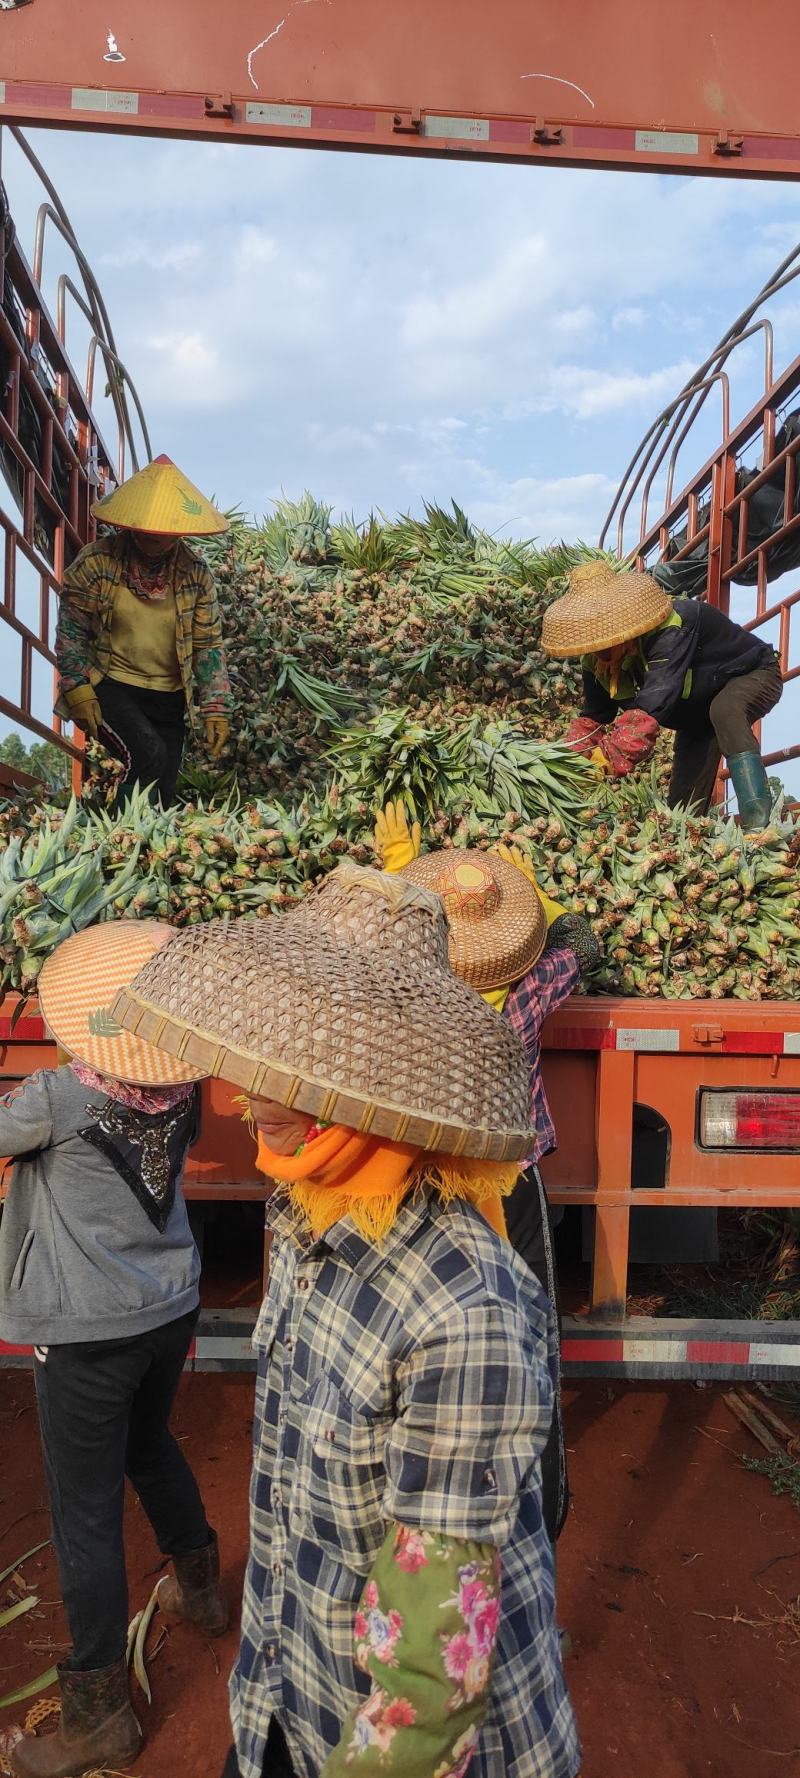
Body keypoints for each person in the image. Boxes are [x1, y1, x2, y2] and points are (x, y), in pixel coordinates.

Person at [110, 863, 582, 1778]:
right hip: (293, 1695)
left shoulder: (465, 1307)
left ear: (376, 1093)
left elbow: (427, 1682)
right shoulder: (305, 1217)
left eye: (301, 1073)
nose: (251, 1098)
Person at [2, 921, 228, 1778]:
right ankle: (200, 1587)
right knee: (148, 1441)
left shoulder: (59, 1095)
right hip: (166, 1310)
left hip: (87, 1332)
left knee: (84, 1512)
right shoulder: (184, 1088)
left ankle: (99, 1712)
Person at [375, 804, 598, 1549]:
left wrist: (396, 872)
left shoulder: (400, 997)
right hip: (511, 1181)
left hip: (424, 1188)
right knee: (531, 1331)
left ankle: (415, 1512)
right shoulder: (526, 999)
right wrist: (539, 903)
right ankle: (546, 1508)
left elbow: (361, 942)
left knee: (425, 1339)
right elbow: (582, 946)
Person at [540, 560, 783, 830]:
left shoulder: (673, 627)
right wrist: (569, 761)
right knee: (681, 811)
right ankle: (686, 837)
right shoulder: (595, 662)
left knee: (725, 710)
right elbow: (594, 716)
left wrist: (607, 760)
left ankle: (758, 824)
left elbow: (656, 698)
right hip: (696, 714)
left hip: (754, 674)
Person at [55, 454, 231, 809]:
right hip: (111, 685)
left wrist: (216, 706)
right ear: (130, 524)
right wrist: (77, 688)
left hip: (169, 694)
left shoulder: (194, 574)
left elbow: (208, 644)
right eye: (148, 529)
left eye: (164, 531)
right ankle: (115, 839)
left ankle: (143, 855)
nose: (155, 537)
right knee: (147, 753)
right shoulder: (96, 563)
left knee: (164, 791)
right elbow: (72, 629)